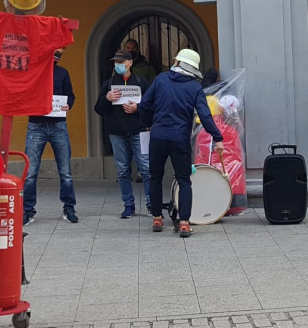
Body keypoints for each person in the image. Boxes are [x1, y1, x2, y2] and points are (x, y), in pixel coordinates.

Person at [140, 48, 223, 238]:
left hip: (158, 136)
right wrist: (217, 137)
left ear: (178, 63)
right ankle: (184, 223)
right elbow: (205, 115)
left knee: (155, 177)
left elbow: (145, 104)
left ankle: (157, 218)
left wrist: (148, 124)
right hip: (180, 139)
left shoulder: (161, 79)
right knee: (184, 180)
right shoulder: (195, 88)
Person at [23, 46, 77, 225]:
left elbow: (70, 95)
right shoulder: (32, 72)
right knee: (30, 172)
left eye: (61, 53)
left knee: (65, 171)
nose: (58, 56)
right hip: (36, 126)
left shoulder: (63, 73)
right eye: (55, 52)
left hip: (58, 125)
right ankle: (27, 210)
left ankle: (69, 207)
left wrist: (68, 104)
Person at [94, 50, 150, 219]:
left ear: (130, 63)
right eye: (116, 62)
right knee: (122, 170)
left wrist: (137, 108)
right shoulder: (108, 84)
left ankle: (151, 203)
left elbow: (152, 105)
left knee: (146, 169)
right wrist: (107, 98)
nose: (118, 65)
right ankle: (128, 205)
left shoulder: (142, 82)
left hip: (139, 131)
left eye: (121, 61)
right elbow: (98, 109)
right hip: (116, 133)